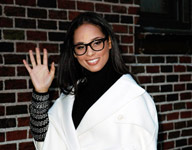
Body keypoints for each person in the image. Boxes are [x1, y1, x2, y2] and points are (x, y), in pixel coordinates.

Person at [23, 12, 158, 150]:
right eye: (81, 46)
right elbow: (44, 139)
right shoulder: (69, 98)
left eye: (96, 42)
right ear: (74, 53)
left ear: (109, 42)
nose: (90, 53)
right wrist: (40, 93)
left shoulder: (134, 98)